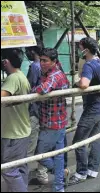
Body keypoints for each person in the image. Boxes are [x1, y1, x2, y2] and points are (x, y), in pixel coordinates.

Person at [68, 37, 100, 185]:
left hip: (93, 108)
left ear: (86, 49)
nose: (79, 50)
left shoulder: (89, 65)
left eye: (80, 47)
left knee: (78, 141)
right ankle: (93, 169)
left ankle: (81, 172)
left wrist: (77, 82)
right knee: (94, 138)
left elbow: (84, 84)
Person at [31, 48, 69, 192]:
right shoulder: (54, 74)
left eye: (45, 60)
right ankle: (59, 186)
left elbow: (42, 90)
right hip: (58, 121)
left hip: (52, 123)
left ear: (54, 61)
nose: (42, 63)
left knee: (39, 154)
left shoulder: (54, 76)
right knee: (58, 156)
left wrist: (33, 90)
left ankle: (61, 174)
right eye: (41, 60)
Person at [1, 48, 31, 192]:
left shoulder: (12, 78)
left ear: (6, 62)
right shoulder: (21, 75)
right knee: (20, 166)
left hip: (13, 132)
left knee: (8, 169)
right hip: (22, 129)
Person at [25, 39, 44, 155]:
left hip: (34, 108)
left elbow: (29, 86)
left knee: (31, 139)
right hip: (42, 107)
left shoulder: (34, 67)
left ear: (32, 51)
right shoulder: (44, 64)